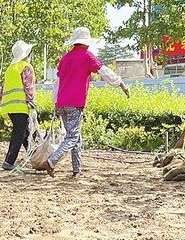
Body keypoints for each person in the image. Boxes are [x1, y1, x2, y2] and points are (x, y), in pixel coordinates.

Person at [45, 27, 130, 178]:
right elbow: (104, 71)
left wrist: (55, 102)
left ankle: (76, 170)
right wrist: (121, 84)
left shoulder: (64, 59)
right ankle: (52, 161)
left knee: (76, 136)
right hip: (75, 103)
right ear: (86, 43)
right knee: (72, 137)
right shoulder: (86, 56)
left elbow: (57, 81)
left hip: (61, 103)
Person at [0, 40, 37, 171]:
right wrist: (32, 105)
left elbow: (2, 88)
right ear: (27, 54)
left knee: (25, 133)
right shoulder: (26, 67)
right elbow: (29, 87)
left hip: (9, 108)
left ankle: (36, 159)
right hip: (20, 107)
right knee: (19, 133)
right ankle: (9, 161)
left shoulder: (10, 69)